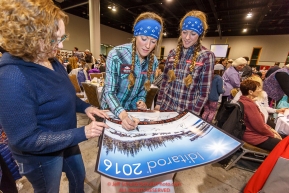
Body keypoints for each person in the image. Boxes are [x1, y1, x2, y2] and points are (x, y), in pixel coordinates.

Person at [0, 1, 109, 192]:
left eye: (62, 37)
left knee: (78, 176)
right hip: (41, 156)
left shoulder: (52, 60)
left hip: (67, 140)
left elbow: (66, 96)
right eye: (54, 39)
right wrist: (82, 133)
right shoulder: (12, 77)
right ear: (30, 38)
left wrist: (86, 107)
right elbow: (24, 139)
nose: (61, 45)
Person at [101, 12, 163, 130]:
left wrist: (141, 101)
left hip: (132, 113)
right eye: (144, 39)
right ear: (136, 35)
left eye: (153, 41)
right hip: (112, 112)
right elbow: (109, 92)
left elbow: (143, 91)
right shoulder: (116, 55)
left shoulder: (153, 62)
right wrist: (123, 115)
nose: (148, 46)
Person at [155, 10, 215, 115]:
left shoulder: (206, 56)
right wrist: (158, 103)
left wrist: (193, 114)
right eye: (184, 32)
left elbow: (204, 92)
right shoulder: (172, 53)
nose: (187, 38)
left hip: (187, 112)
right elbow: (164, 81)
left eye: (193, 34)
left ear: (199, 35)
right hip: (166, 107)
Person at [238, 79, 281, 151]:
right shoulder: (249, 105)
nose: (260, 90)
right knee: (283, 145)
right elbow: (260, 127)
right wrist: (272, 134)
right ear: (250, 92)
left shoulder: (243, 101)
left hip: (251, 134)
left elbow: (260, 124)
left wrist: (271, 129)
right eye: (257, 88)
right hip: (253, 137)